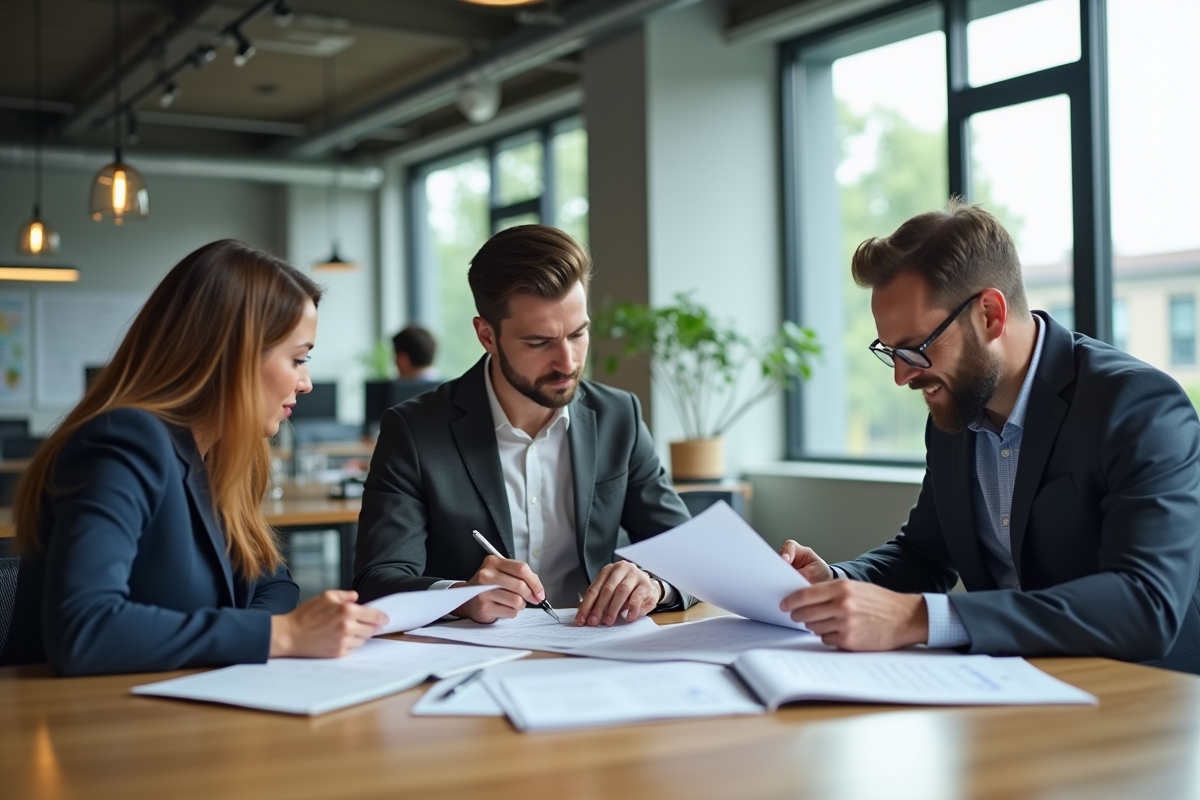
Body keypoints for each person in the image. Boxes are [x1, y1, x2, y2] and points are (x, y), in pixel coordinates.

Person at [777, 200, 1200, 673]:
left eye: (915, 349)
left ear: (990, 315)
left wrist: (922, 618)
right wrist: (835, 583)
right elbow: (924, 555)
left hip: (1144, 687)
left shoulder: (1139, 405)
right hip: (1009, 683)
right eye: (891, 352)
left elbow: (1146, 603)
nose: (901, 376)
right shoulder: (956, 412)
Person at [0, 240, 387, 675]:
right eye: (298, 359)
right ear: (233, 355)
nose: (306, 382)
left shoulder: (221, 454)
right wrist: (282, 635)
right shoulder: (123, 442)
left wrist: (268, 635)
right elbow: (84, 628)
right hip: (79, 710)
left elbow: (274, 585)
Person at [355, 224, 694, 626]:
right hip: (475, 656)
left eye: (578, 334)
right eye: (539, 342)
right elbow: (376, 582)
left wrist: (654, 585)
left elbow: (694, 557)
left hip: (600, 646)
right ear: (487, 336)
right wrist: (460, 596)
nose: (567, 363)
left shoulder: (618, 416)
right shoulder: (413, 430)